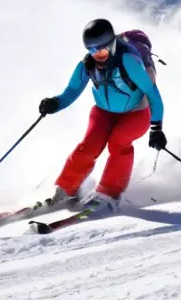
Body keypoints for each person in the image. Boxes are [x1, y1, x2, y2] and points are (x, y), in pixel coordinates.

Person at [38, 18, 167, 211]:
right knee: (88, 146)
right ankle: (66, 189)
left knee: (119, 142)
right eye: (92, 50)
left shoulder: (128, 62)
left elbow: (153, 94)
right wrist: (54, 103)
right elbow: (71, 91)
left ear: (112, 45)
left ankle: (109, 193)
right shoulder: (87, 65)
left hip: (137, 113)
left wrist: (156, 129)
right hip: (104, 112)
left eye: (102, 50)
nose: (97, 55)